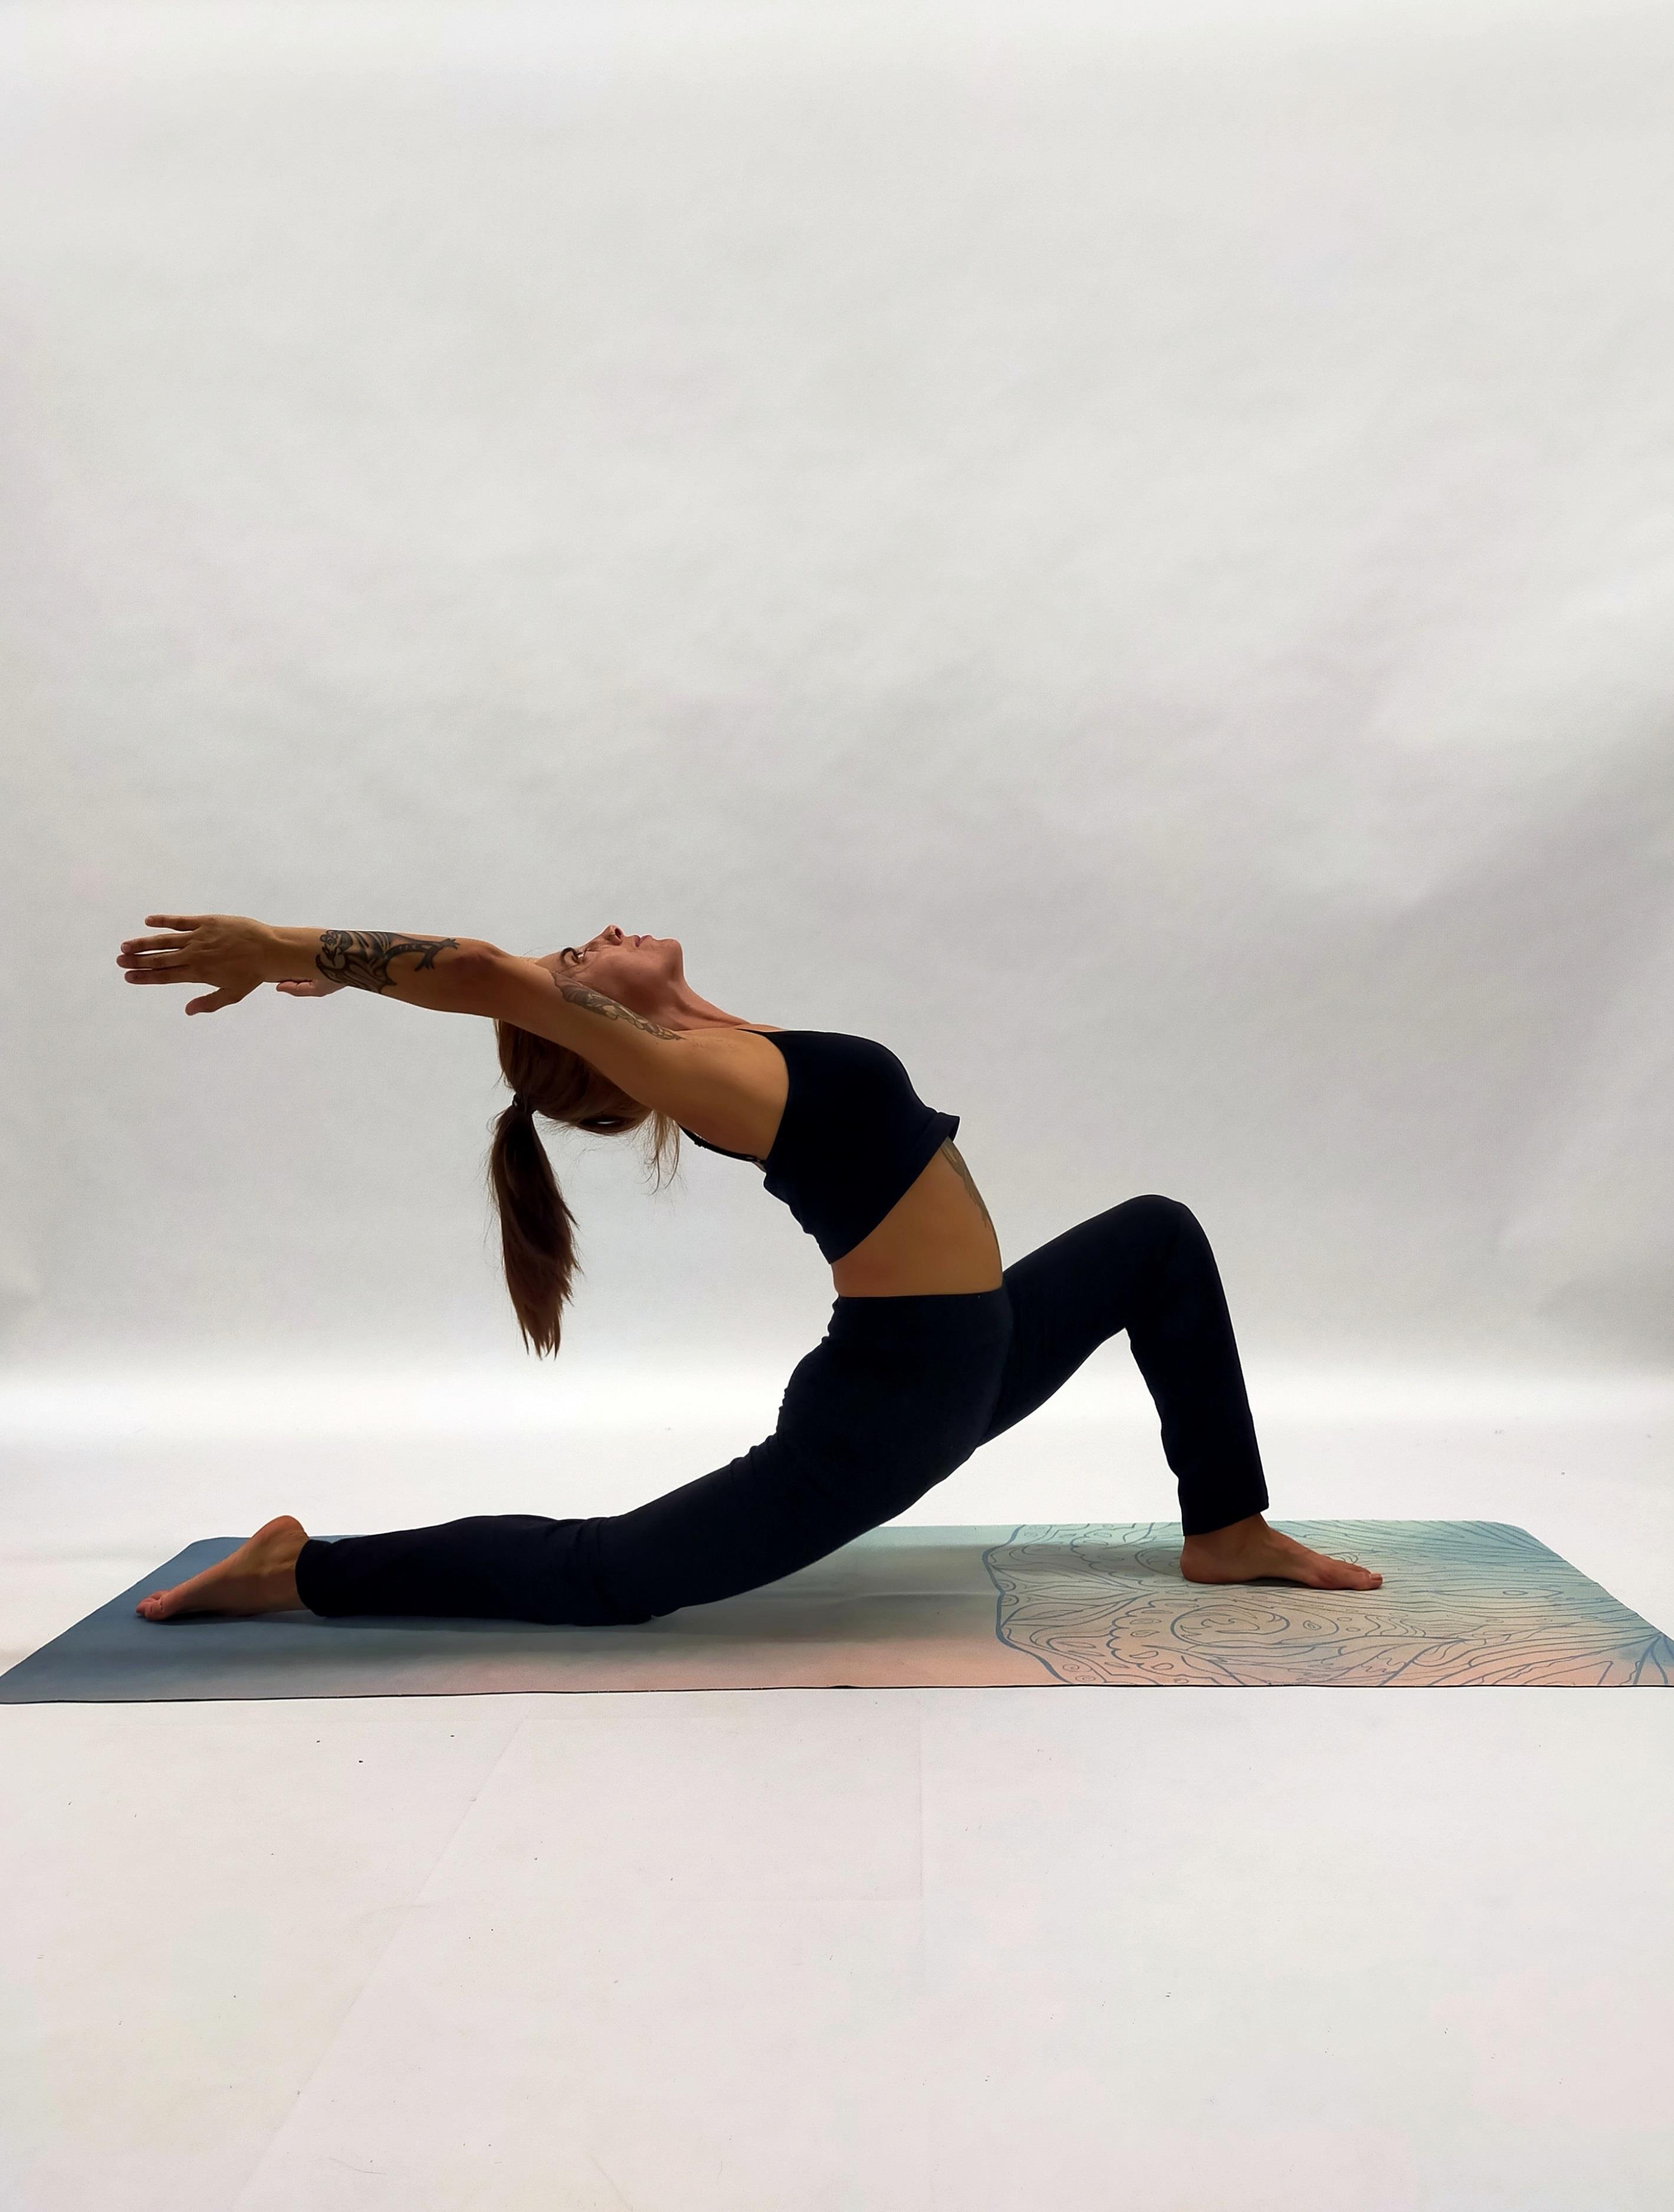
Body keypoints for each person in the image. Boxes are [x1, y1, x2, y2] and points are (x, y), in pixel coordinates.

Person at [116, 913, 1381, 1623]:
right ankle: (299, 1568)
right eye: (576, 961)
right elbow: (484, 973)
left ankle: (1226, 1528)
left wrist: (439, 985)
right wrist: (278, 946)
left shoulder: (724, 1041)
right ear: (603, 1038)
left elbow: (519, 984)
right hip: (889, 1409)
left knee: (1156, 1235)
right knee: (610, 1576)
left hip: (975, 1346)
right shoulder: (698, 1075)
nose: (594, 934)